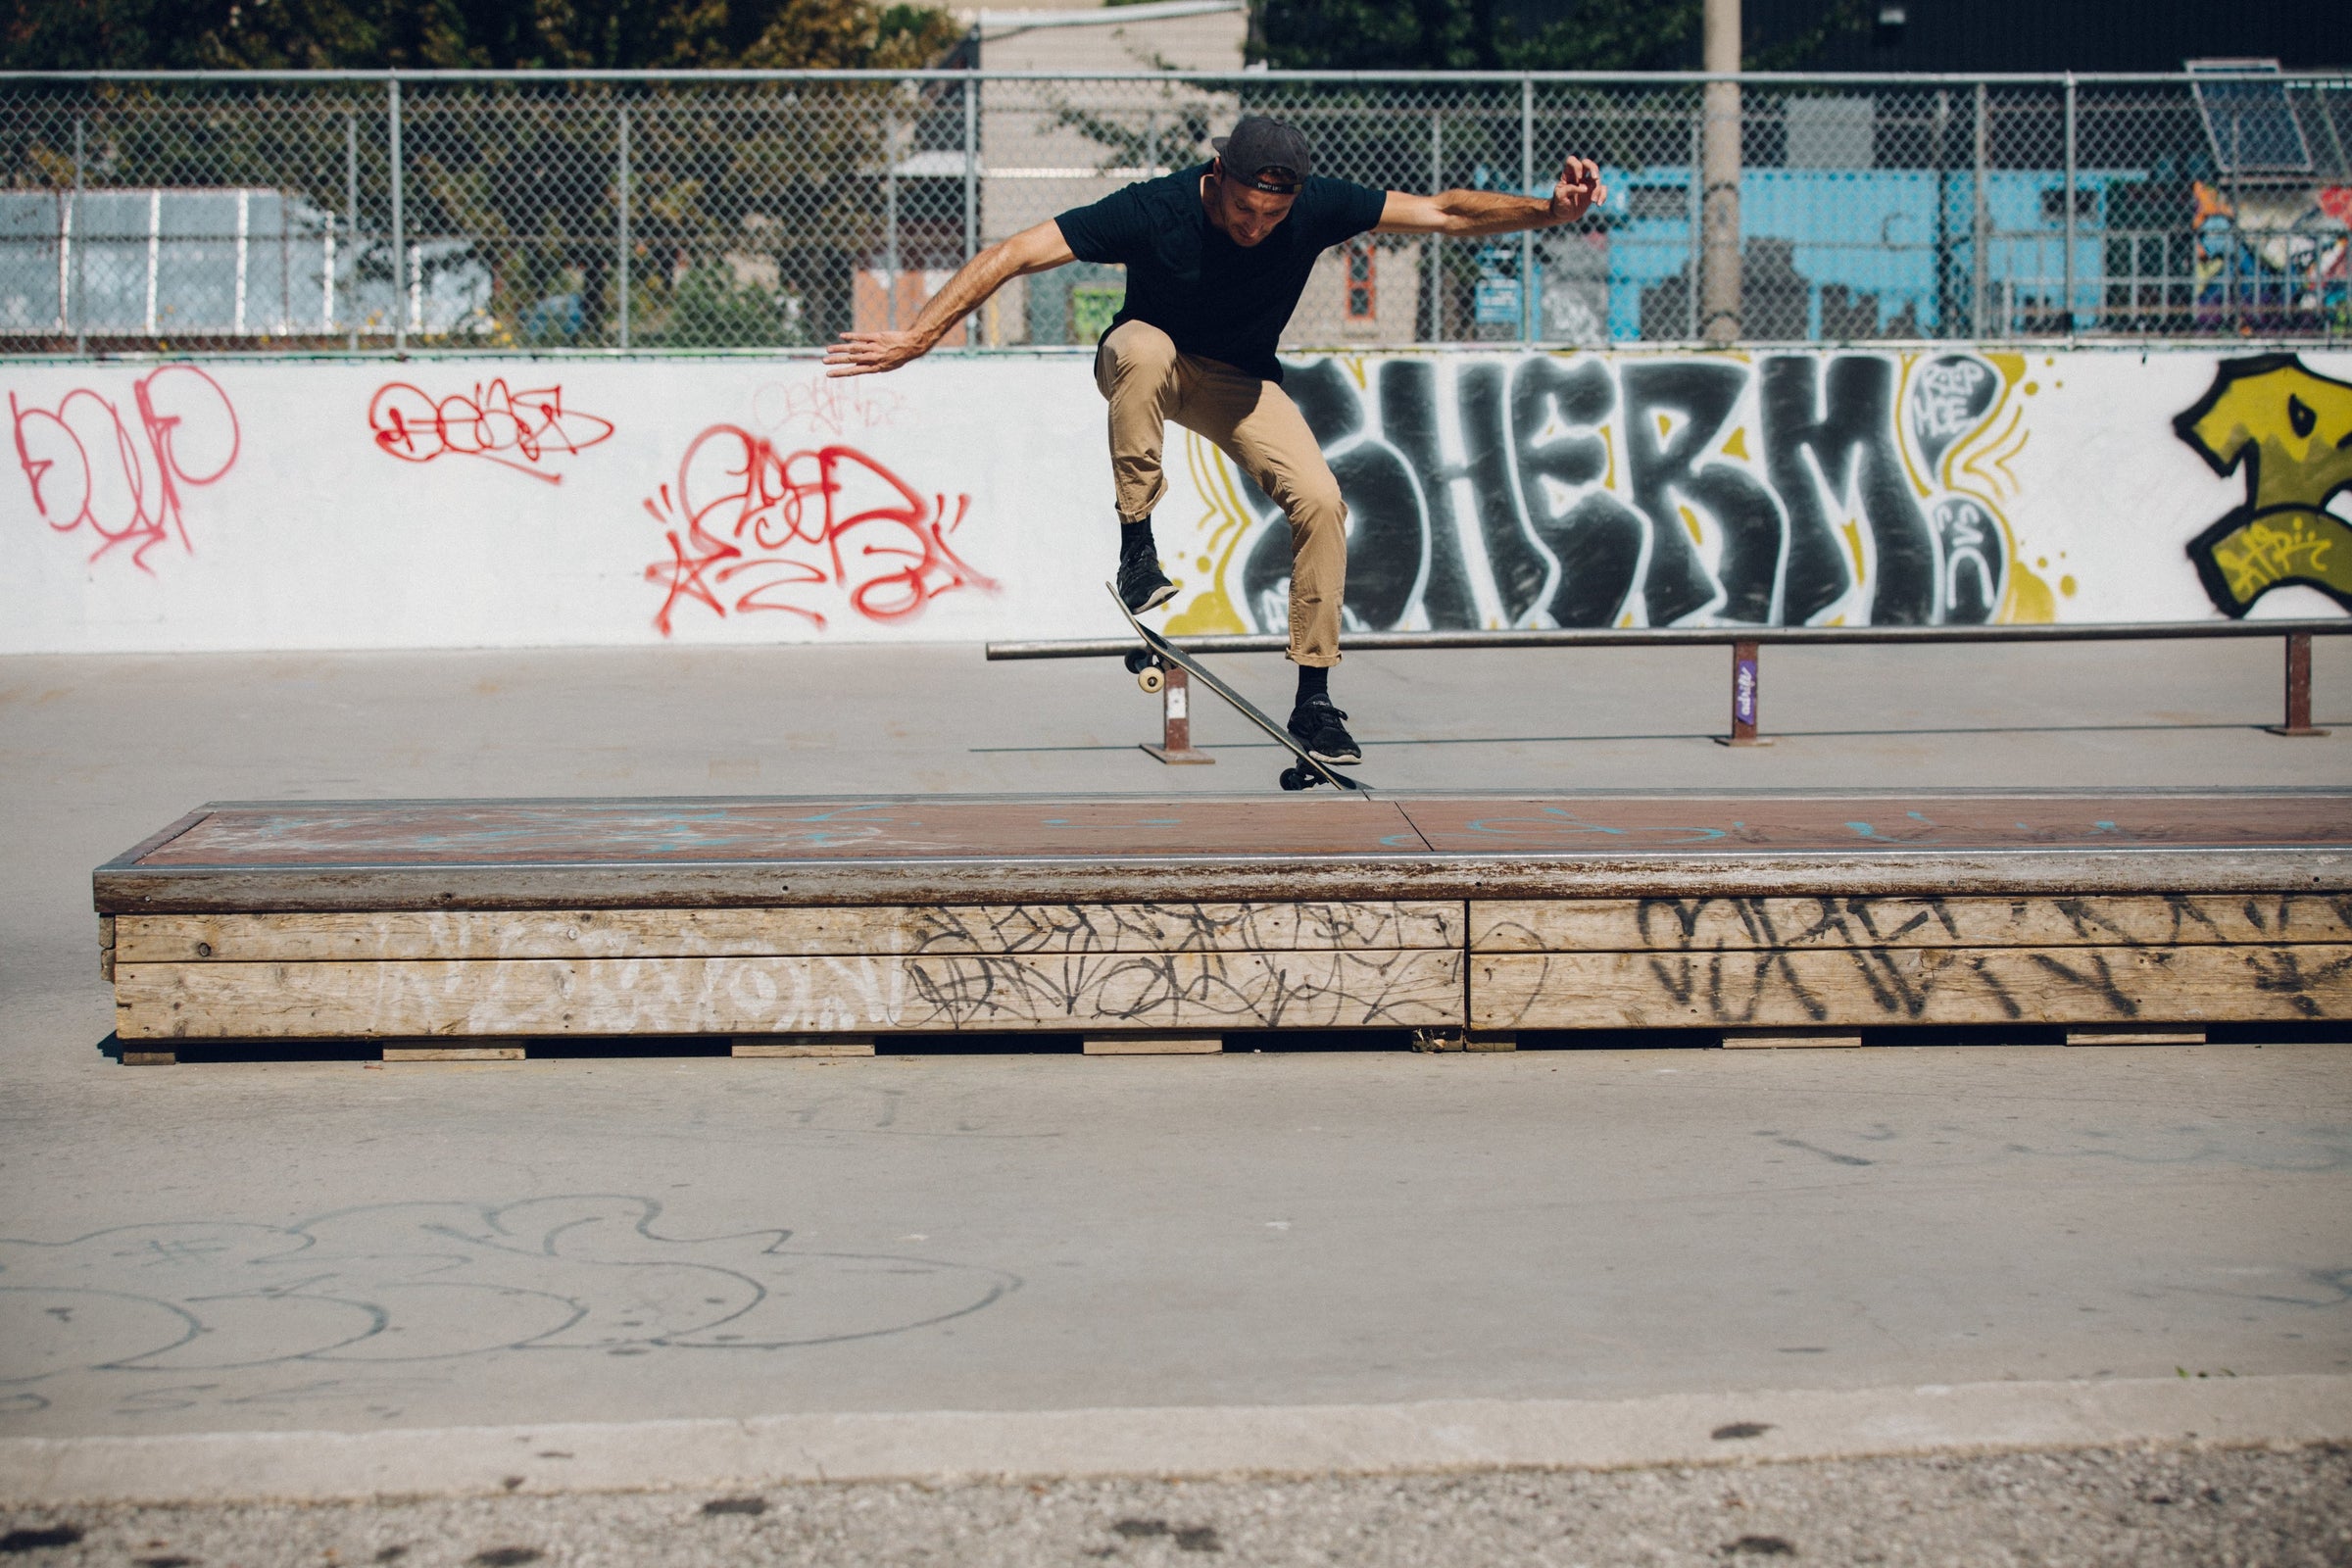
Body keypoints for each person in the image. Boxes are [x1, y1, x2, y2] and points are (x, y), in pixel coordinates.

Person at [826, 115, 1605, 766]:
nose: (1256, 227)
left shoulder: (1316, 207)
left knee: (1324, 503)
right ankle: (1138, 548)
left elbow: (1443, 212)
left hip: (1240, 382)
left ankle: (1314, 698)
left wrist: (1549, 211)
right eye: (1243, 210)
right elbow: (1012, 254)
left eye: (1272, 216)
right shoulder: (1155, 208)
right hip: (1149, 363)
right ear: (1217, 175)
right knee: (1141, 348)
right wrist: (919, 336)